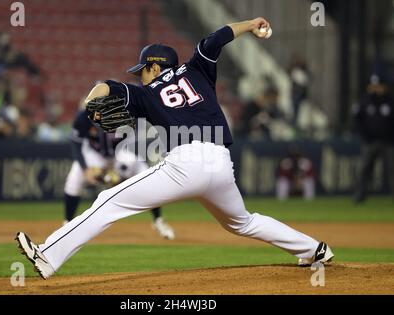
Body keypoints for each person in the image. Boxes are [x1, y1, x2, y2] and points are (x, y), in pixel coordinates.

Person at [16, 18, 333, 279]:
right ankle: (314, 249)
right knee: (243, 222)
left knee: (108, 200)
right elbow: (217, 37)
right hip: (220, 163)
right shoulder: (197, 68)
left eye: (143, 70)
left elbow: (106, 86)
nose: (140, 76)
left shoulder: (145, 94)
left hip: (184, 164)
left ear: (155, 67)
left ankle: (48, 255)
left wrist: (90, 101)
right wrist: (252, 24)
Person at [62, 109, 175, 239]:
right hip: (95, 155)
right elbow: (76, 144)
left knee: (144, 172)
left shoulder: (126, 114)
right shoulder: (84, 116)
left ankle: (158, 220)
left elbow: (135, 146)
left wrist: (117, 174)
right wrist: (86, 169)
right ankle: (67, 223)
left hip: (119, 154)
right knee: (75, 176)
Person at [352, 72, 394, 203]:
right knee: (365, 169)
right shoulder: (364, 101)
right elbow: (357, 120)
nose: (376, 88)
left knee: (392, 169)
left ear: (384, 86)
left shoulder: (391, 101)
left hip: (389, 142)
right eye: (373, 86)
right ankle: (360, 196)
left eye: (378, 86)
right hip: (369, 142)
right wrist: (365, 135)